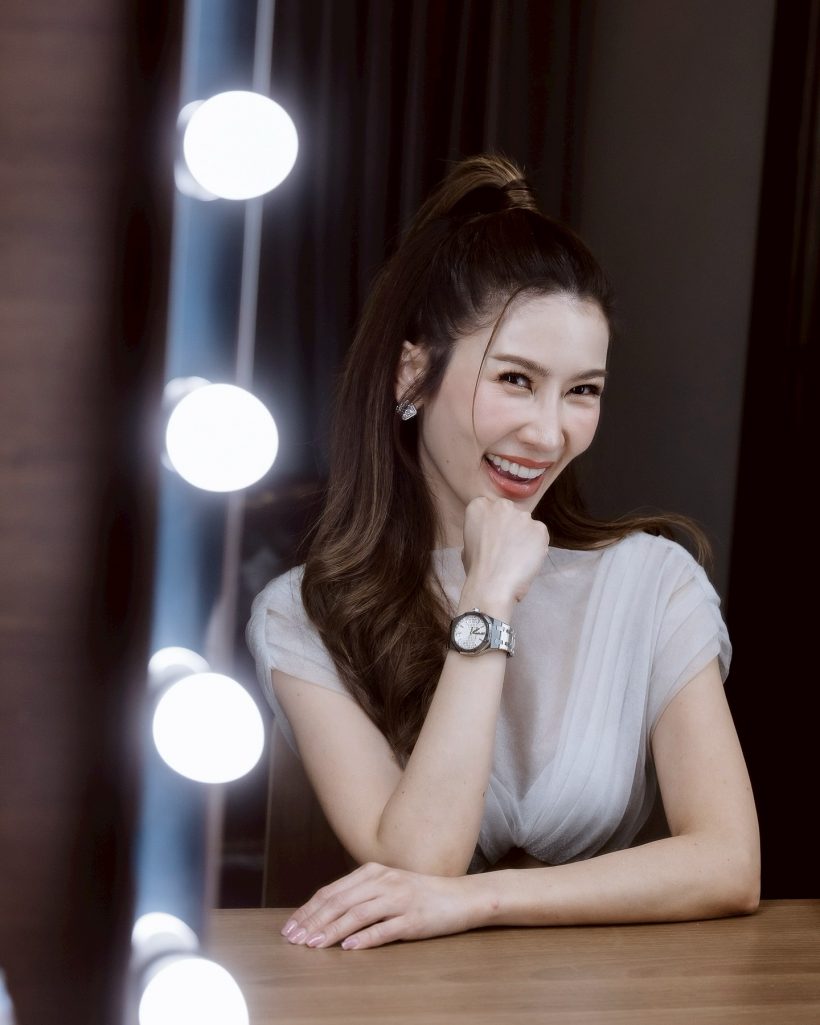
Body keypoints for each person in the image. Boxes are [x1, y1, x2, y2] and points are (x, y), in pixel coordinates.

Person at [247, 154, 759, 951]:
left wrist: (482, 901)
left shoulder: (652, 582)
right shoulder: (303, 612)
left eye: (582, 390)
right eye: (517, 379)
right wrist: (486, 600)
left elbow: (729, 862)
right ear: (411, 375)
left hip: (598, 997)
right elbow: (420, 859)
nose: (549, 433)